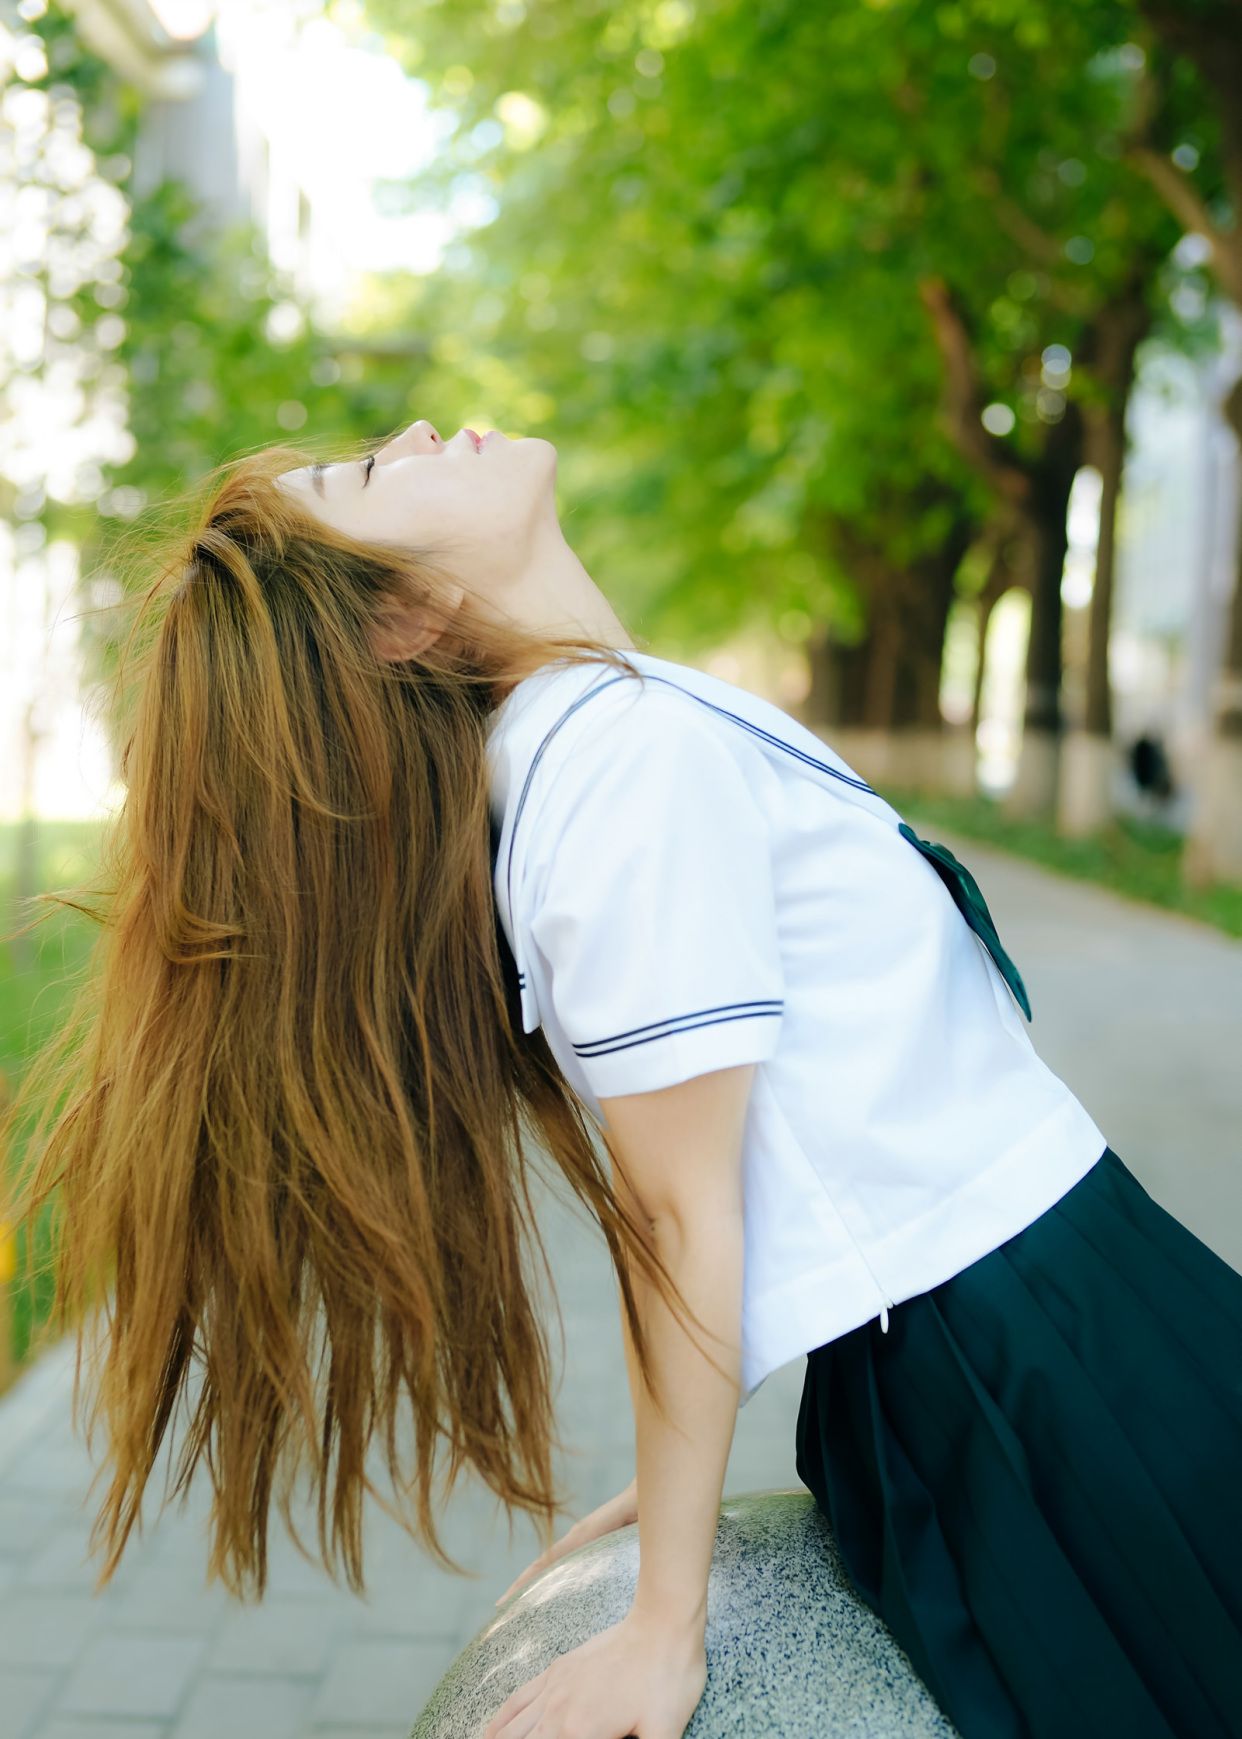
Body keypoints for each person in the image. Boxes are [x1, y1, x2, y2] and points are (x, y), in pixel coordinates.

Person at [3, 419, 1239, 1739]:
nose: (415, 433)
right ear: (411, 615)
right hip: (1029, 1354)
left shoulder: (611, 729)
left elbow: (781, 1154)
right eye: (371, 475)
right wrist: (663, 1619)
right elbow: (676, 1211)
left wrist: (678, 1475)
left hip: (1033, 1319)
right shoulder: (614, 767)